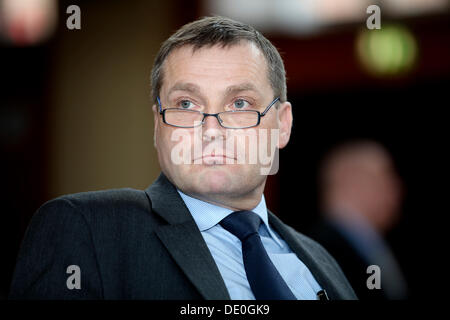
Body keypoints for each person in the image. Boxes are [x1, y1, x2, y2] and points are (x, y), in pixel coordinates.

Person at [9, 16, 356, 300]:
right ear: (157, 126)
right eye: (186, 105)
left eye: (239, 104)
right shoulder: (88, 230)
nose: (211, 130)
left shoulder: (323, 262)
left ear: (282, 126)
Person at [308, 140, 408, 299]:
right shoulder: (319, 251)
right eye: (387, 176)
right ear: (354, 182)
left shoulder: (368, 245)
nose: (397, 189)